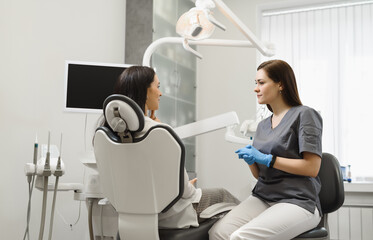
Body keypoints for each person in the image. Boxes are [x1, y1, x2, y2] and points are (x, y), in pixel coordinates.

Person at [103, 65, 240, 230]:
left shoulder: (106, 133)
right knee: (224, 194)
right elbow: (187, 193)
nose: (160, 93)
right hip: (173, 213)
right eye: (157, 87)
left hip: (129, 215)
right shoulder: (158, 132)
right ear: (145, 91)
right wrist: (184, 185)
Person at [209, 60, 323, 240]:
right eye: (256, 83)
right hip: (264, 197)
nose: (256, 88)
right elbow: (259, 175)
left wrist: (269, 159)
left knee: (242, 237)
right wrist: (252, 161)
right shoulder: (262, 126)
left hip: (297, 201)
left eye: (261, 83)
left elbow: (312, 168)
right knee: (218, 233)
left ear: (281, 84)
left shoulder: (305, 115)